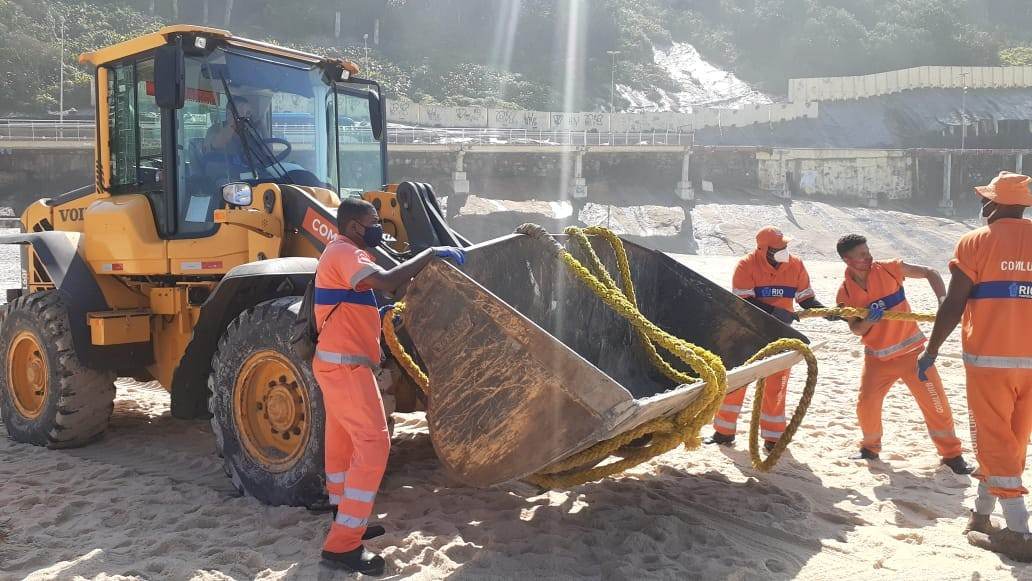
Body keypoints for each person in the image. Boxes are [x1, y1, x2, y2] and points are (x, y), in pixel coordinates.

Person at [313, 197, 465, 575]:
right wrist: (430, 253)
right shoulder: (346, 252)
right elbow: (385, 281)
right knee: (374, 443)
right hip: (346, 368)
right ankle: (342, 545)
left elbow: (378, 294)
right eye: (373, 222)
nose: (379, 228)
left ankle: (345, 517)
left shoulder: (344, 253)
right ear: (352, 226)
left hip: (337, 365)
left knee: (343, 442)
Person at [918, 171, 1032, 560]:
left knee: (992, 438)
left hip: (990, 363)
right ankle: (982, 517)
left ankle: (1019, 531)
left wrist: (931, 349)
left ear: (997, 203)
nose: (982, 205)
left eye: (986, 199)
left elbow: (954, 303)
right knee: (1012, 439)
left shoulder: (975, 242)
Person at [834, 234, 971, 475]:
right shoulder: (845, 292)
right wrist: (868, 321)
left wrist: (943, 301)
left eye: (868, 251)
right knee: (866, 405)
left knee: (936, 403)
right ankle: (869, 449)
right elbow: (855, 328)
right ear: (847, 260)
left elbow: (930, 272)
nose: (869, 257)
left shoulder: (889, 268)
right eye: (862, 255)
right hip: (877, 359)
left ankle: (952, 456)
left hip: (913, 356)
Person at [705, 226, 829, 451]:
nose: (784, 251)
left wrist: (827, 312)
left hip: (780, 335)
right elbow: (744, 301)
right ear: (764, 250)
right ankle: (723, 433)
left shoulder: (796, 265)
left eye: (785, 247)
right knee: (737, 383)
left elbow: (806, 298)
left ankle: (773, 438)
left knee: (776, 386)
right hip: (747, 332)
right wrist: (775, 313)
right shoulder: (746, 266)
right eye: (778, 248)